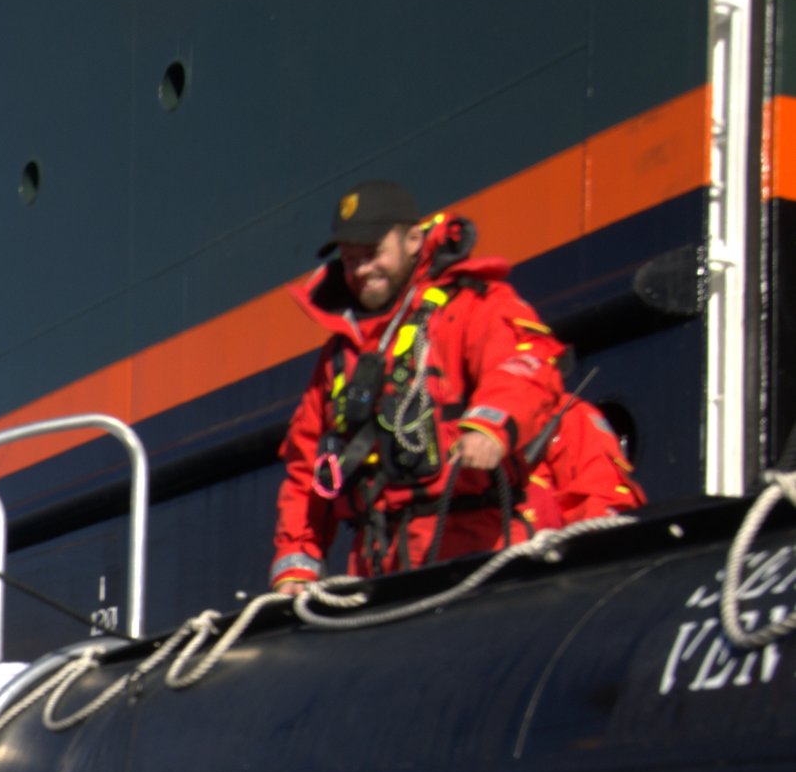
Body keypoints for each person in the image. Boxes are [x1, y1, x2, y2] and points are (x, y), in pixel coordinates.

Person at [271, 179, 639, 585]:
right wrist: (296, 562)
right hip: (382, 569)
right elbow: (309, 469)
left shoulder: (474, 307)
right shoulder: (339, 357)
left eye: (372, 254)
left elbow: (523, 366)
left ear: (413, 239)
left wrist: (489, 427)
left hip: (480, 553)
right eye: (350, 259)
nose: (361, 270)